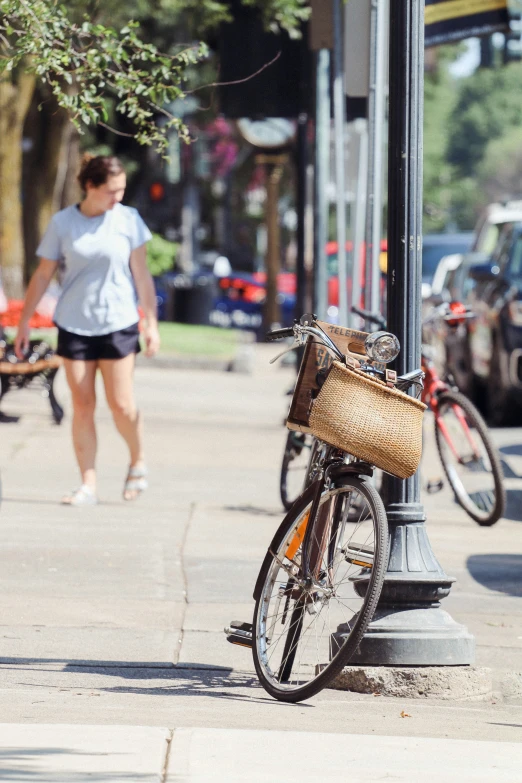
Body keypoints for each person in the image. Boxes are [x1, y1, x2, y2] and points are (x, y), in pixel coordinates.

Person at [15, 154, 160, 506]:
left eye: (122, 190)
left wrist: (151, 322)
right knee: (82, 405)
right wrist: (23, 321)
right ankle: (88, 485)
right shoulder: (63, 223)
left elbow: (141, 274)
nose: (118, 198)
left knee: (121, 405)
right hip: (75, 324)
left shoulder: (128, 220)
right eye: (111, 191)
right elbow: (43, 274)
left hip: (119, 322)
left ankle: (137, 460)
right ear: (90, 187)